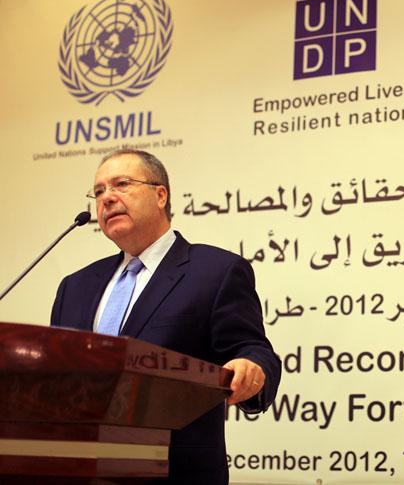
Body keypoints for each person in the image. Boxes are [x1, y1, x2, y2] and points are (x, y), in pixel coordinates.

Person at [50, 149, 281, 484]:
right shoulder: (75, 287)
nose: (107, 198)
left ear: (160, 195)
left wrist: (252, 368)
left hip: (175, 473)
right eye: (98, 191)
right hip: (80, 471)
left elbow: (253, 349)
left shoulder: (215, 271)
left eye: (121, 184)